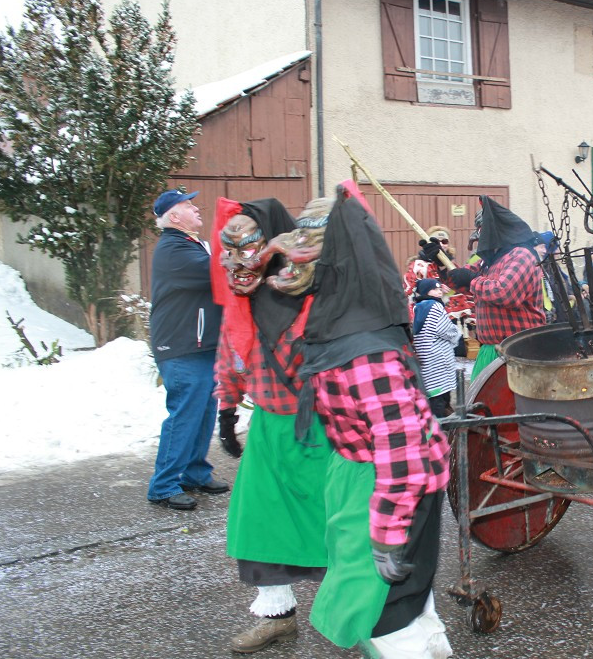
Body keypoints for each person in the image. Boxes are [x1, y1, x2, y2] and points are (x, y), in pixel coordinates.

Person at [268, 189, 452, 657]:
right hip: (360, 475)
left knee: (381, 611)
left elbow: (405, 452)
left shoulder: (366, 351)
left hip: (390, 486)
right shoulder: (338, 316)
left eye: (306, 252)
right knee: (404, 598)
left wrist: (387, 534)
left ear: (336, 262)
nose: (292, 264)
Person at [212, 198, 331, 653]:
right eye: (230, 250)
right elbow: (230, 352)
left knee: (331, 522)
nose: (239, 262)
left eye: (249, 248)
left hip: (319, 425)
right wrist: (226, 409)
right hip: (267, 426)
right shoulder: (241, 302)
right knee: (258, 522)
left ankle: (355, 612)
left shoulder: (309, 290)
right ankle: (278, 616)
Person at [147, 189, 228, 510]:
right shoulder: (173, 249)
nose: (196, 209)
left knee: (204, 412)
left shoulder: (189, 245)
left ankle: (194, 473)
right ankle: (163, 486)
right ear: (173, 216)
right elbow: (215, 272)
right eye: (188, 205)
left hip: (201, 346)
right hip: (181, 347)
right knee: (184, 414)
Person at [423, 196, 544, 379]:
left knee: (515, 407)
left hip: (518, 352)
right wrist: (441, 263)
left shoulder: (522, 255)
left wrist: (472, 279)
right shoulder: (487, 262)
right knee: (483, 406)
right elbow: (458, 280)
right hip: (490, 350)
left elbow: (505, 293)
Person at [412, 278, 462, 418]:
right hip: (438, 359)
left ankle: (436, 421)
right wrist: (456, 333)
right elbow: (445, 329)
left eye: (440, 288)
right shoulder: (434, 306)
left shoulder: (419, 307)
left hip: (426, 357)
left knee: (432, 392)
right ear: (425, 291)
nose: (439, 291)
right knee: (440, 395)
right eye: (435, 289)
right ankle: (441, 427)